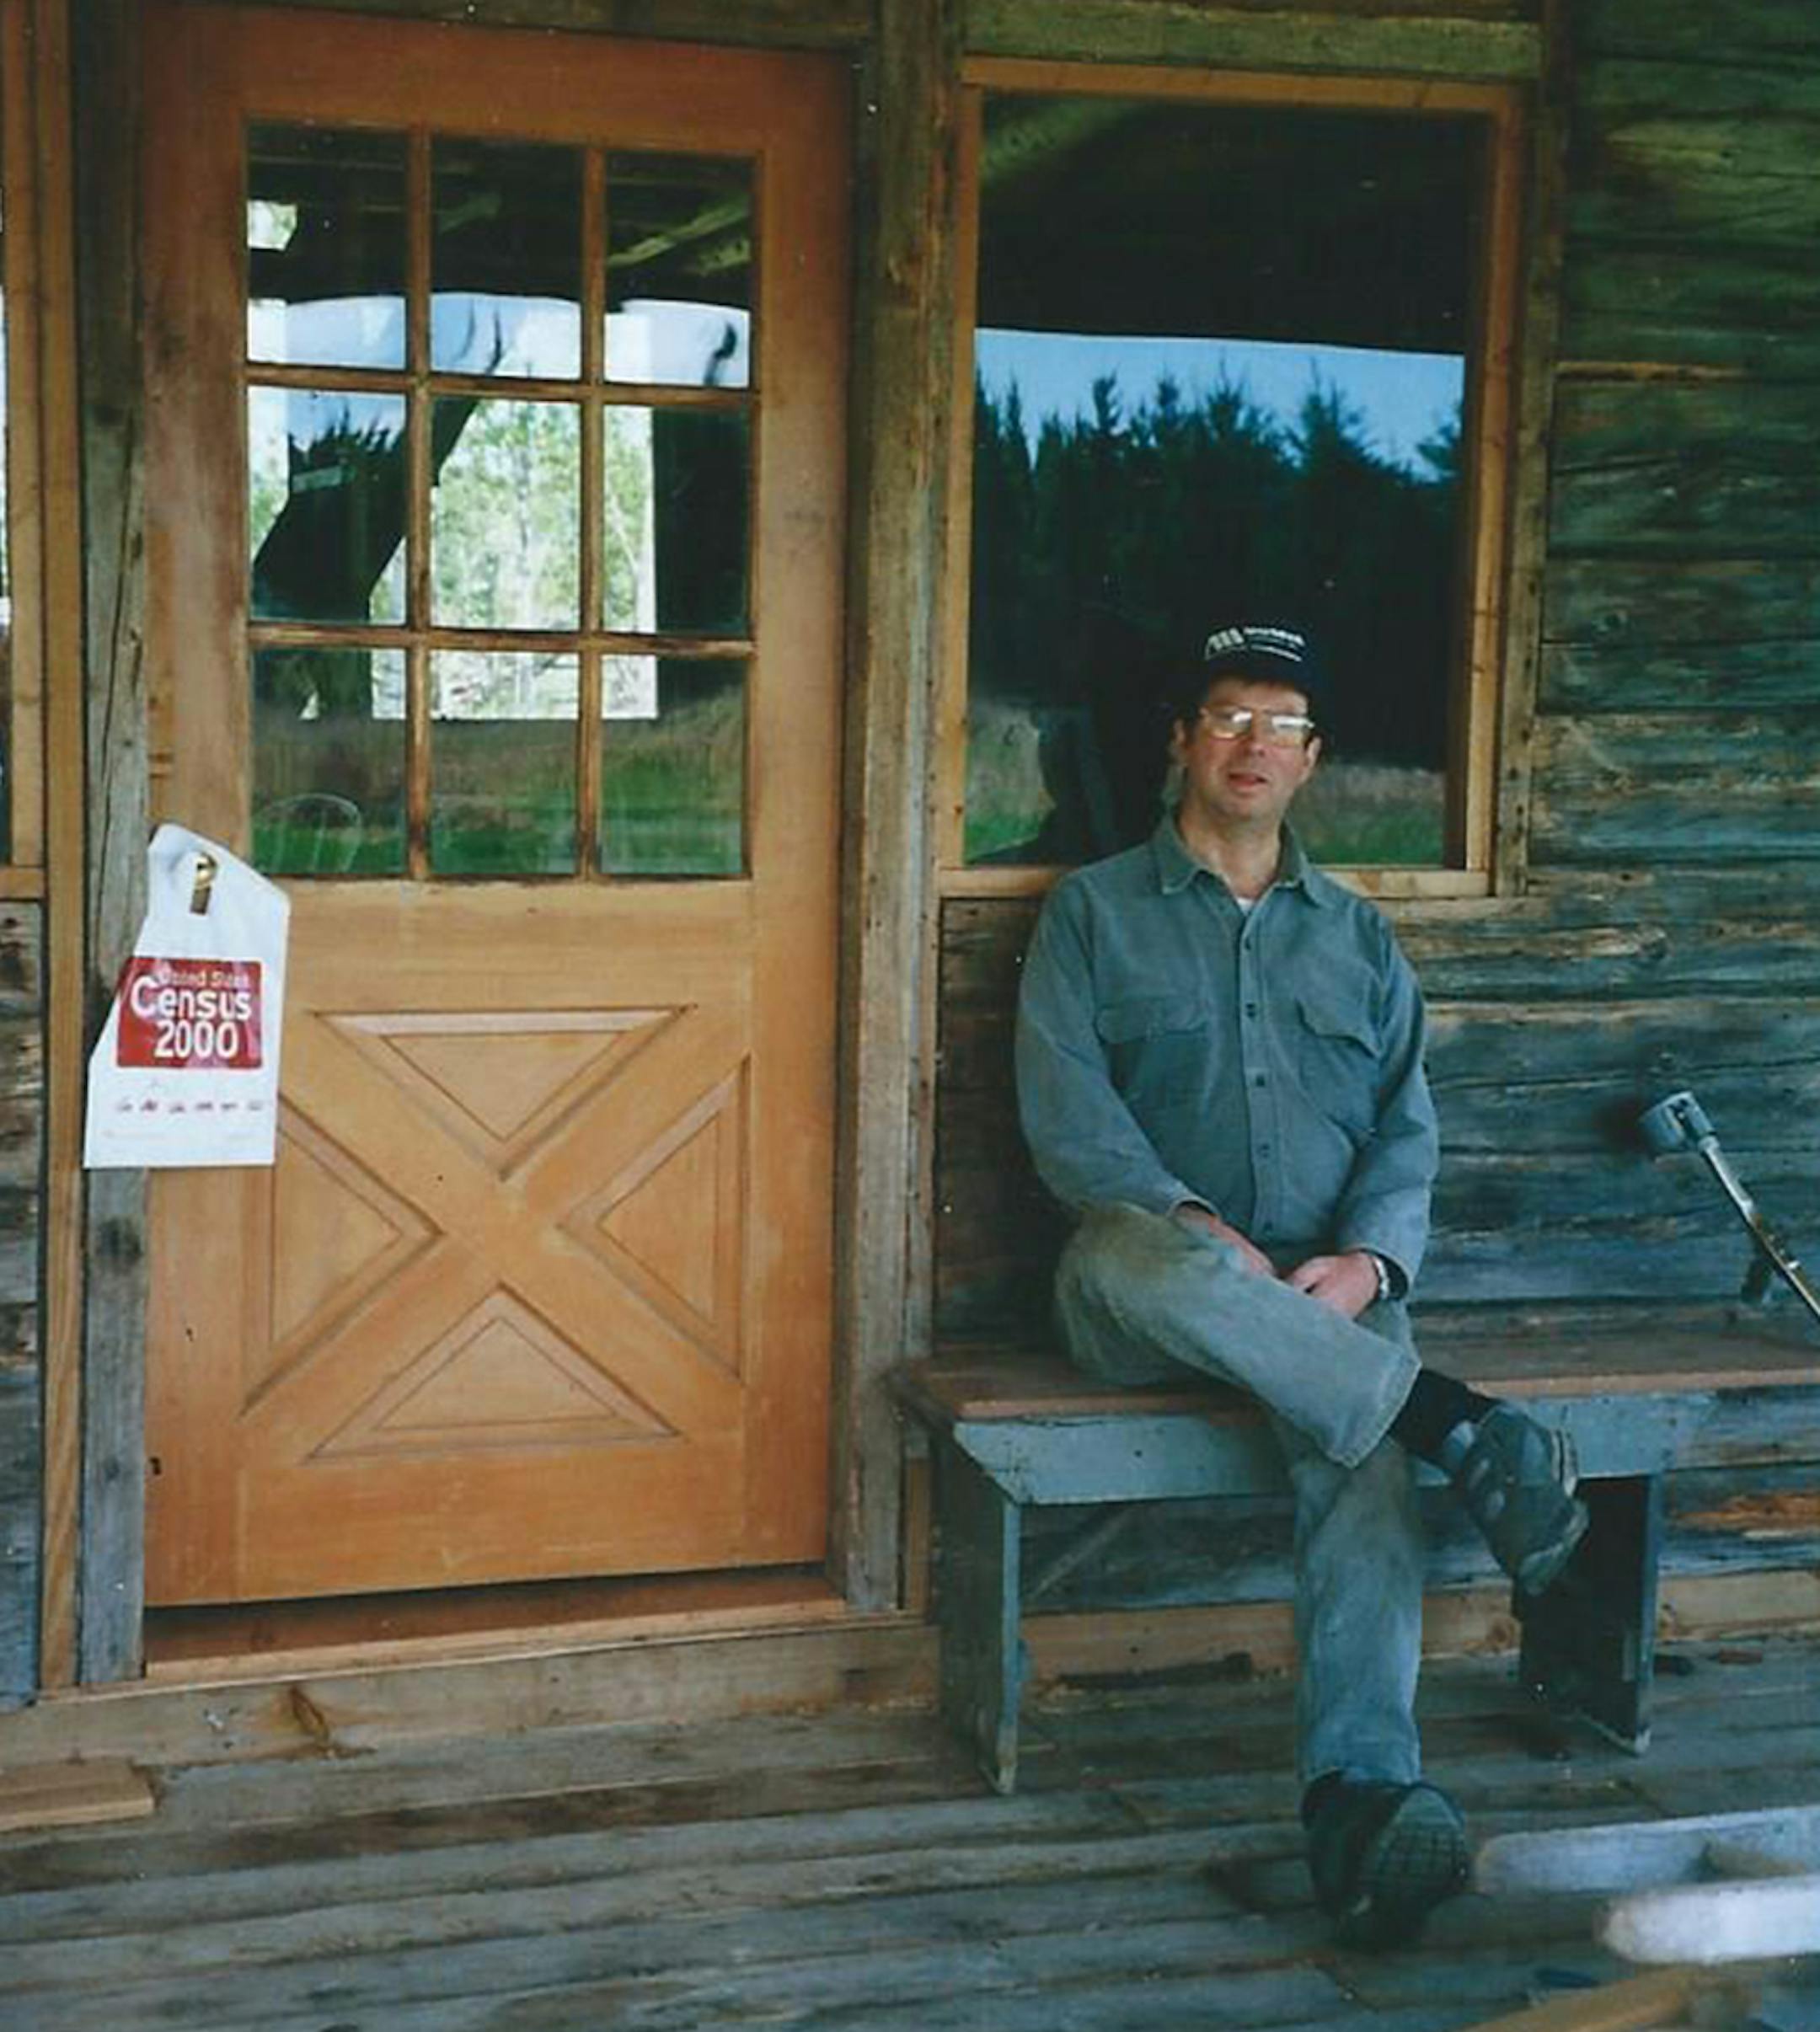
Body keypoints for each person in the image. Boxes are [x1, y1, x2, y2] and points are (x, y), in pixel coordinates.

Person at [1014, 622, 1588, 1949]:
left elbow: (1406, 1126)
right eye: (1225, 718)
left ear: (1314, 758)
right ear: (1181, 744)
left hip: (1328, 1298)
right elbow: (1070, 1118)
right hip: (1147, 1280)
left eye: (1279, 724)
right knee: (1142, 1255)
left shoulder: (1359, 937)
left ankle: (1361, 1800)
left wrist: (1375, 1261)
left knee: (1363, 1453)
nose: (1251, 744)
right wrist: (1196, 1222)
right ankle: (1454, 1414)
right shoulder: (1093, 914)